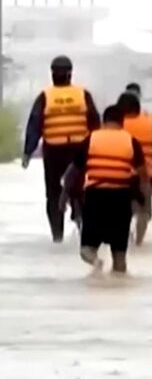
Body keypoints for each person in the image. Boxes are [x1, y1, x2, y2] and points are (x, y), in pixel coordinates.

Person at [22, 55, 101, 243]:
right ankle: (81, 223)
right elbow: (95, 122)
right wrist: (98, 147)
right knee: (81, 188)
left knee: (54, 193)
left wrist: (27, 152)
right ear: (70, 74)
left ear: (52, 74)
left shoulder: (45, 96)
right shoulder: (83, 94)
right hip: (79, 150)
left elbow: (35, 125)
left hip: (54, 151)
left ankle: (57, 237)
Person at [60, 105, 148, 274]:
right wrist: (143, 202)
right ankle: (120, 287)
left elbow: (72, 172)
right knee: (120, 256)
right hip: (121, 199)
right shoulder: (131, 141)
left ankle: (96, 263)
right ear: (122, 122)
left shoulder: (91, 139)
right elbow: (143, 175)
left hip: (95, 198)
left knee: (86, 249)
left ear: (103, 120)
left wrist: (64, 195)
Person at [116, 91, 152, 245]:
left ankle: (125, 240)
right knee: (144, 211)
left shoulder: (117, 124)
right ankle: (139, 242)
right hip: (147, 175)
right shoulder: (148, 125)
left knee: (125, 209)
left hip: (122, 174)